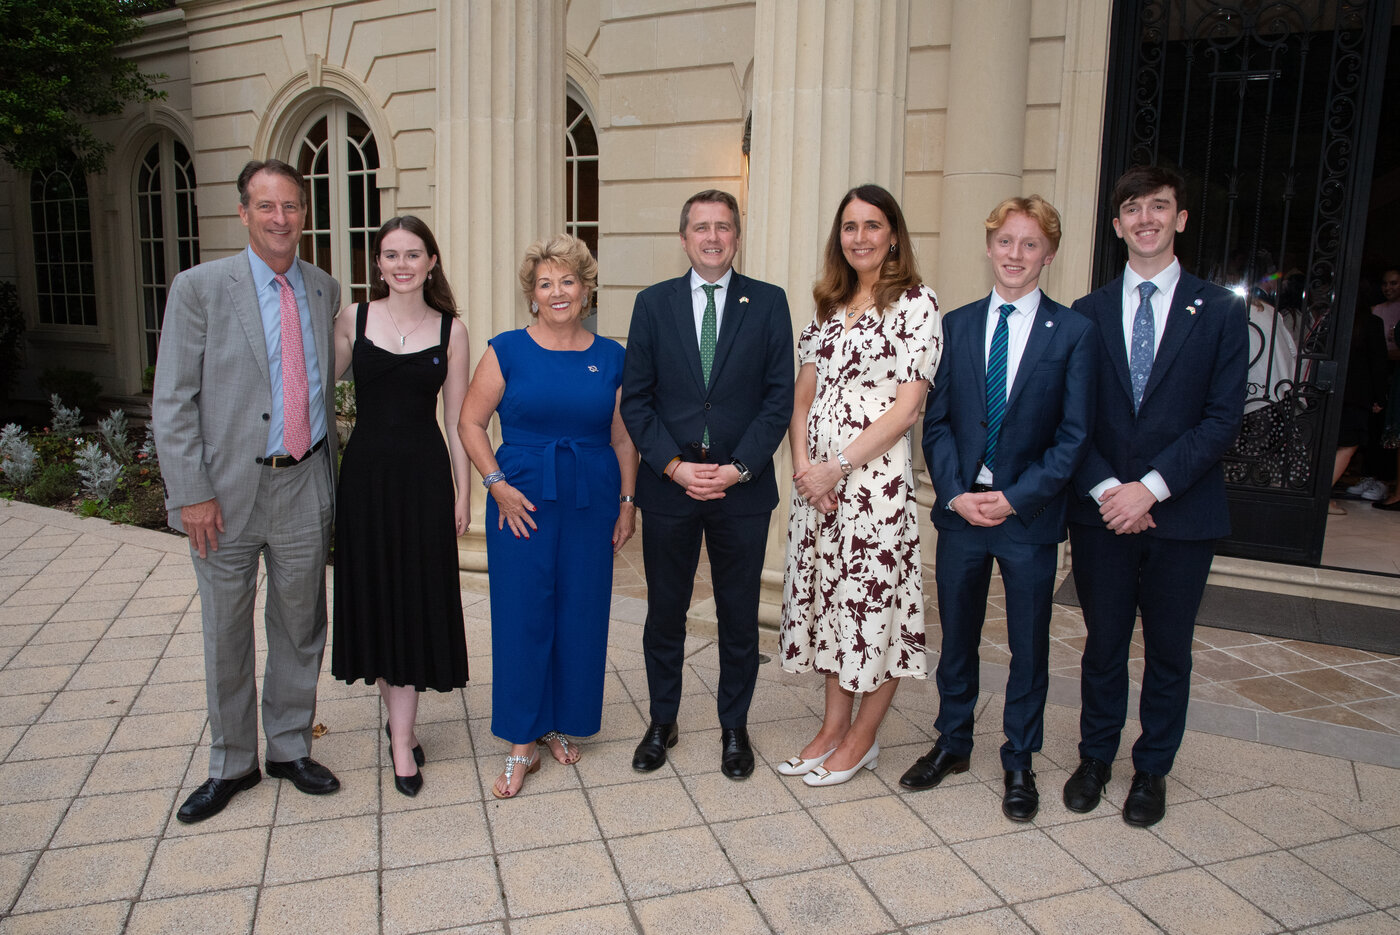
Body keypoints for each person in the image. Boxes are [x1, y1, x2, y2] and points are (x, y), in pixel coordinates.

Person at [153, 159, 342, 823]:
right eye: (267, 206)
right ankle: (232, 761)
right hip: (225, 493)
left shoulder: (324, 287)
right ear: (244, 212)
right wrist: (191, 491)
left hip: (304, 483)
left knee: (300, 623)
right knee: (225, 630)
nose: (280, 218)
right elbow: (173, 398)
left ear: (304, 213)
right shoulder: (200, 287)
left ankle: (290, 745)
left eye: (291, 205)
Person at [899, 196, 1096, 819]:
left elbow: (1074, 437)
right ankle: (953, 741)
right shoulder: (955, 326)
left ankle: (1019, 759)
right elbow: (938, 423)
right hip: (961, 514)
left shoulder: (1073, 333)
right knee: (955, 637)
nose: (1016, 255)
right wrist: (955, 493)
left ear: (1050, 254)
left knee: (1028, 646)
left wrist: (1013, 499)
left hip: (1028, 520)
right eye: (1006, 242)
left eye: (1030, 244)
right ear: (989, 247)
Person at [1064, 165, 1247, 827]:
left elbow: (1223, 419)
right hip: (1102, 515)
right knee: (1104, 643)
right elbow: (1071, 420)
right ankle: (1095, 757)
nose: (1146, 218)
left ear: (1181, 218)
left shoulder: (1221, 310)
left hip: (1184, 514)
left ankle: (1151, 770)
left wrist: (1152, 488)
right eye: (1133, 209)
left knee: (1169, 650)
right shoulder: (1084, 315)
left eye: (1159, 207)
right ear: (1116, 225)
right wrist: (1114, 490)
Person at [621, 190, 794, 780]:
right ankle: (662, 721)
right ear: (684, 237)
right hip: (669, 488)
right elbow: (637, 400)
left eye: (723, 227)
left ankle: (733, 727)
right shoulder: (652, 305)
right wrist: (672, 465)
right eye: (701, 227)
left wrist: (739, 467)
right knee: (665, 612)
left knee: (739, 617)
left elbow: (779, 398)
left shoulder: (769, 303)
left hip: (741, 491)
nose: (713, 237)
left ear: (737, 236)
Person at [459, 234, 637, 799]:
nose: (557, 292)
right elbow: (469, 423)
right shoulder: (507, 349)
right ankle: (520, 741)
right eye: (545, 283)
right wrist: (497, 486)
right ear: (531, 295)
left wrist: (628, 503)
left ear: (586, 290)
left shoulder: (611, 356)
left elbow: (623, 435)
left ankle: (560, 719)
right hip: (522, 499)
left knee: (580, 611)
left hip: (592, 496)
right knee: (522, 612)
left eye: (568, 281)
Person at [777, 184, 941, 788]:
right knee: (830, 608)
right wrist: (805, 471)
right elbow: (801, 399)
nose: (861, 237)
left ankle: (863, 739)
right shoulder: (827, 305)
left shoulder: (917, 304)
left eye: (873, 226)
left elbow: (905, 411)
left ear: (893, 234)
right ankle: (830, 727)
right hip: (816, 491)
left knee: (875, 611)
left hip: (872, 489)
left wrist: (835, 468)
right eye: (850, 227)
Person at [330, 216, 471, 797]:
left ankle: (401, 734)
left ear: (431, 261)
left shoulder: (452, 331)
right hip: (365, 481)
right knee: (380, 598)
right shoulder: (353, 319)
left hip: (423, 480)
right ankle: (400, 735)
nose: (403, 264)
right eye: (391, 255)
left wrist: (465, 492)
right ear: (379, 263)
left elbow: (459, 418)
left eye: (414, 254)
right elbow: (312, 390)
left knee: (412, 599)